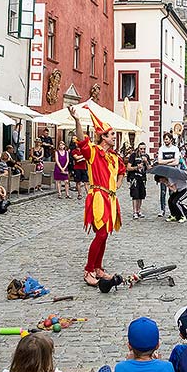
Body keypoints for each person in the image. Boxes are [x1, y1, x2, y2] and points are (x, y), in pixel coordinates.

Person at [70, 105, 125, 287]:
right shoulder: (93, 152)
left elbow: (122, 172)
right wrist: (77, 120)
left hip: (110, 198)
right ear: (103, 136)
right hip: (98, 198)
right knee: (100, 234)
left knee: (105, 235)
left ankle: (98, 268)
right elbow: (81, 140)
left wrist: (117, 185)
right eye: (111, 134)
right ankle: (88, 270)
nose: (114, 137)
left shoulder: (115, 157)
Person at [156, 133, 180, 217]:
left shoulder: (175, 149)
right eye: (164, 139)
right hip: (163, 173)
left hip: (172, 173)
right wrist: (170, 160)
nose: (165, 141)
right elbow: (159, 161)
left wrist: (165, 162)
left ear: (171, 140)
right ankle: (162, 210)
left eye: (167, 139)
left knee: (172, 192)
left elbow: (176, 162)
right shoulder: (161, 149)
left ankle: (172, 210)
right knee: (163, 192)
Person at [127, 143, 150, 219]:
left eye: (144, 149)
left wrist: (146, 162)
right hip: (134, 178)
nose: (142, 150)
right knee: (135, 195)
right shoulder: (133, 155)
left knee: (141, 195)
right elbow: (128, 168)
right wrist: (137, 167)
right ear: (138, 148)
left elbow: (150, 169)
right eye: (141, 149)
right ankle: (134, 212)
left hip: (143, 178)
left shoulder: (146, 156)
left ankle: (139, 210)